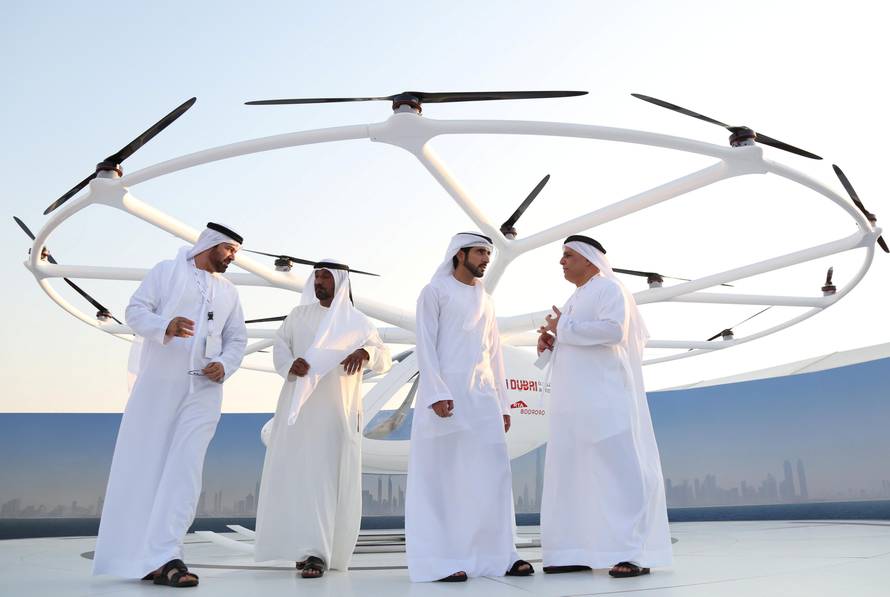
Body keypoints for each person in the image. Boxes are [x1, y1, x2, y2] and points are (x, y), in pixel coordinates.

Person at [93, 223, 248, 587]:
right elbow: (135, 311)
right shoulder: (166, 272)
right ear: (210, 244)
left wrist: (225, 364)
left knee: (186, 470)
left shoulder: (229, 291)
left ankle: (168, 553)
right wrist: (166, 325)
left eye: (235, 253)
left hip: (205, 391)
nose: (231, 258)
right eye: (229, 250)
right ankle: (143, 556)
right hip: (159, 388)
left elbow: (236, 338)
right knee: (148, 465)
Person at [537, 235, 672, 578]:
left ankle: (633, 553)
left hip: (605, 398)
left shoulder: (609, 289)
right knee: (573, 473)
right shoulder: (574, 298)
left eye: (568, 255)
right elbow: (574, 340)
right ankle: (575, 550)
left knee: (619, 471)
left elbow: (612, 332)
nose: (562, 262)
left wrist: (563, 328)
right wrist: (550, 343)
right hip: (573, 405)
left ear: (588, 259)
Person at [406, 232, 533, 583]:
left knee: (492, 475)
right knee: (444, 479)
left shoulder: (485, 299)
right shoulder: (434, 292)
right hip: (445, 399)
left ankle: (502, 556)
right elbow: (425, 345)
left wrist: (504, 403)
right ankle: (441, 561)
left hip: (483, 400)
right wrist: (435, 392)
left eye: (488, 253)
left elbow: (494, 353)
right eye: (480, 252)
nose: (486, 259)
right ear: (459, 254)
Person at [254, 260, 391, 579]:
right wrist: (290, 363)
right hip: (299, 413)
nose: (319, 282)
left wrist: (365, 354)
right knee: (302, 479)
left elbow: (382, 356)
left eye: (326, 277)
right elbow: (280, 348)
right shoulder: (298, 317)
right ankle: (306, 550)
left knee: (328, 480)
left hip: (337, 414)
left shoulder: (357, 322)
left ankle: (320, 551)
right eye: (316, 277)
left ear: (340, 282)